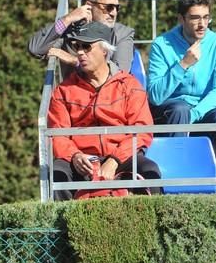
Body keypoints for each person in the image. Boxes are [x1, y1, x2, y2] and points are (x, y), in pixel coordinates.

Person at [47, 21, 160, 201]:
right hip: (81, 159)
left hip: (121, 156)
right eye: (77, 47)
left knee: (150, 171)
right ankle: (63, 228)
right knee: (58, 173)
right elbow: (57, 134)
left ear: (105, 51)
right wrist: (75, 156)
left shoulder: (129, 86)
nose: (81, 52)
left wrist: (115, 160)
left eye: (87, 47)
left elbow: (142, 130)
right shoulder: (63, 91)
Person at [147, 0, 216, 150]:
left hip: (203, 109)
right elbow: (155, 96)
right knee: (180, 109)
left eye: (206, 17)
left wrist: (194, 114)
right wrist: (183, 65)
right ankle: (174, 168)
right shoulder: (161, 44)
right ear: (181, 19)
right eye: (195, 18)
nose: (202, 24)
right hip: (172, 110)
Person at [28, 0, 135, 76]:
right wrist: (68, 19)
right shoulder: (70, 31)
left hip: (111, 98)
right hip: (73, 97)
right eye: (109, 7)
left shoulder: (123, 34)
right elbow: (36, 49)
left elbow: (120, 74)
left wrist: (75, 61)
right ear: (89, 6)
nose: (114, 13)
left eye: (117, 8)